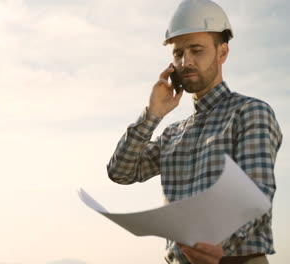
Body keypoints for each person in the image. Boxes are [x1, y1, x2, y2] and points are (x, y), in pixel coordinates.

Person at [106, 0, 283, 263]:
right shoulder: (172, 133)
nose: (186, 61)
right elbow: (121, 172)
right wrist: (152, 115)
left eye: (196, 50)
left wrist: (221, 247)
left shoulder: (249, 112)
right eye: (178, 53)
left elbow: (254, 194)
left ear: (222, 53)